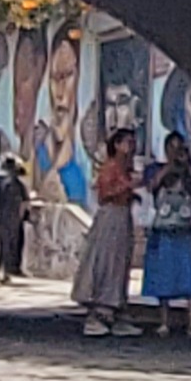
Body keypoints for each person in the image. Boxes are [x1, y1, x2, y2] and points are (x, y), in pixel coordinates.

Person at [71, 126, 139, 336]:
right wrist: (128, 187)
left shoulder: (125, 168)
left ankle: (116, 311)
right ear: (117, 145)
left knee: (119, 262)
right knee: (107, 260)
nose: (131, 147)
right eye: (127, 142)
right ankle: (99, 312)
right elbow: (104, 194)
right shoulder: (110, 168)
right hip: (111, 217)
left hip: (123, 215)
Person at [143, 132, 191, 337]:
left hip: (185, 229)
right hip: (164, 229)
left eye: (178, 147)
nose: (175, 151)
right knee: (163, 276)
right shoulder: (157, 169)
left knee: (188, 275)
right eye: (172, 147)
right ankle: (164, 321)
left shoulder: (189, 171)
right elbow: (152, 185)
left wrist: (187, 165)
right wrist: (169, 167)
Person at [0, 151, 31, 283]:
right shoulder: (18, 183)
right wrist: (20, 217)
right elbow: (25, 202)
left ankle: (0, 273)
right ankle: (3, 273)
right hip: (12, 217)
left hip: (0, 214)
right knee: (8, 246)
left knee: (3, 245)